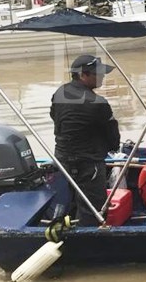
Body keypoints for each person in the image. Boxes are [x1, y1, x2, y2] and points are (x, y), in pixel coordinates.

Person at [50, 55, 120, 226]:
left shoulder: (59, 93)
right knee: (94, 211)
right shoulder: (98, 103)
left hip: (62, 161)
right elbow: (113, 139)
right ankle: (89, 244)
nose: (102, 76)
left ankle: (67, 228)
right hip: (89, 165)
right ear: (83, 75)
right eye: (98, 73)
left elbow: (55, 118)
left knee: (71, 202)